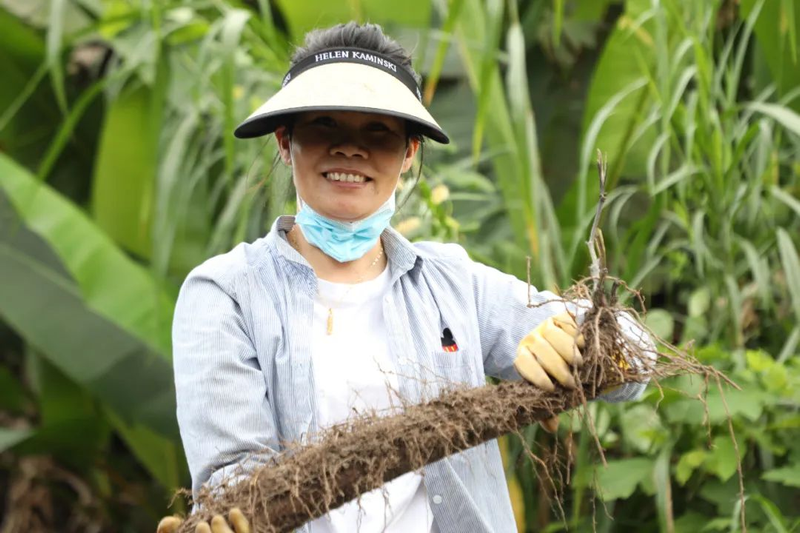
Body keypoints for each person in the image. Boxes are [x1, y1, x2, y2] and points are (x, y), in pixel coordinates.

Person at [157, 22, 652, 533]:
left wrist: (587, 342)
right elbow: (234, 479)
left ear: (409, 152)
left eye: (378, 131)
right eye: (324, 125)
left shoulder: (452, 284)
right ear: (286, 141)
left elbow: (638, 356)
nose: (350, 149)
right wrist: (233, 517)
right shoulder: (227, 294)